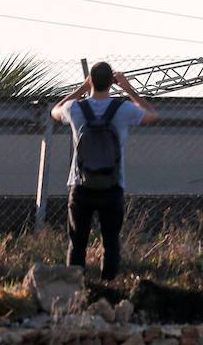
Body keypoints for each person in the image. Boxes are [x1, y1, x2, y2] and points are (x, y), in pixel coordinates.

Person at [50, 62, 158, 280]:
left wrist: (81, 89)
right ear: (111, 83)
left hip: (81, 185)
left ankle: (75, 287)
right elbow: (151, 114)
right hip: (113, 185)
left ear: (91, 80)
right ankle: (108, 289)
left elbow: (54, 111)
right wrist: (127, 88)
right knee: (110, 241)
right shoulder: (124, 109)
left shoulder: (75, 109)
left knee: (78, 242)